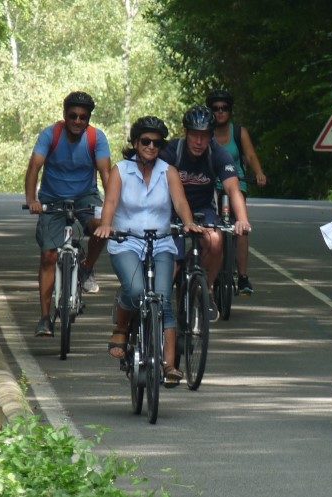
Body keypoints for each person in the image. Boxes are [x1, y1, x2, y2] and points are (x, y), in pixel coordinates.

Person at [93, 116, 199, 387]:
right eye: (145, 141)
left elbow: (180, 202)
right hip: (126, 241)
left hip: (161, 241)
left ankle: (169, 365)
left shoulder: (168, 172)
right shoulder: (121, 170)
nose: (151, 146)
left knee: (163, 300)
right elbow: (112, 201)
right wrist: (106, 225)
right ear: (136, 142)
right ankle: (121, 328)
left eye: (156, 142)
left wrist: (188, 223)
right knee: (137, 291)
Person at [25, 91, 111, 337]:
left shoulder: (97, 138)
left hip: (86, 196)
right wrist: (32, 200)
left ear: (88, 119)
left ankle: (86, 266)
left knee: (100, 227)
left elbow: (106, 173)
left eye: (83, 117)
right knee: (49, 256)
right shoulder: (51, 134)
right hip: (52, 199)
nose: (77, 121)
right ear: (64, 115)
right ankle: (44, 317)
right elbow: (34, 167)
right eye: (72, 115)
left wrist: (111, 207)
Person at [159, 104, 252, 321]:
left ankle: (206, 289)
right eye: (194, 136)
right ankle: (161, 301)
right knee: (173, 258)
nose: (199, 142)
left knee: (216, 240)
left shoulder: (217, 154)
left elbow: (233, 189)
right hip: (171, 211)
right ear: (186, 133)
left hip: (203, 210)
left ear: (211, 136)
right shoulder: (173, 151)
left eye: (204, 136)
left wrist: (243, 220)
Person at [206, 89, 266, 295]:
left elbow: (249, 156)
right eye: (215, 109)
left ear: (230, 111)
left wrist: (258, 173)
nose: (220, 112)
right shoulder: (204, 133)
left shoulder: (239, 132)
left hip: (236, 182)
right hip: (212, 183)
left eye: (224, 108)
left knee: (241, 226)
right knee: (211, 226)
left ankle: (242, 277)